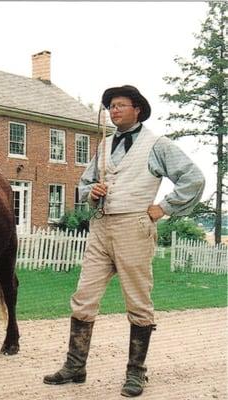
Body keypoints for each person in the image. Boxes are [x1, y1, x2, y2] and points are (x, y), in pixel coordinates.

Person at [43, 85, 205, 397]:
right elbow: (83, 186)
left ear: (137, 110)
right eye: (110, 106)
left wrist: (163, 208)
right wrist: (92, 192)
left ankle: (136, 373)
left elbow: (193, 178)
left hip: (135, 227)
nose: (113, 111)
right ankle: (75, 366)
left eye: (120, 105)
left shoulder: (158, 145)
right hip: (101, 228)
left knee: (138, 301)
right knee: (83, 296)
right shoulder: (104, 145)